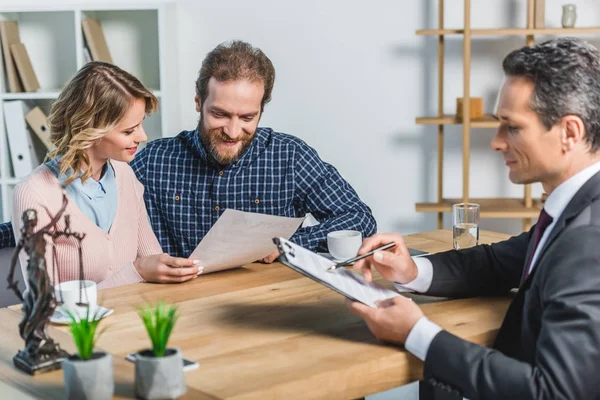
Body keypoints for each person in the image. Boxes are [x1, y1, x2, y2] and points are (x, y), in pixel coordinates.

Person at [348, 37, 600, 399]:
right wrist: (411, 271)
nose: (496, 142)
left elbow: (555, 394)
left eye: (511, 127)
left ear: (569, 133)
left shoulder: (588, 238)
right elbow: (499, 262)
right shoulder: (576, 208)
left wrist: (417, 333)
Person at [130, 40, 376, 262]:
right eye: (220, 114)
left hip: (267, 303)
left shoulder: (290, 157)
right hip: (180, 304)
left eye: (247, 117)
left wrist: (288, 246)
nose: (233, 132)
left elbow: (358, 218)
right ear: (198, 102)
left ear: (261, 110)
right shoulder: (152, 162)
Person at [11, 62, 202, 289]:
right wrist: (137, 272)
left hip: (133, 319)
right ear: (90, 130)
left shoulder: (125, 176)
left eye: (140, 124)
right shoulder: (35, 194)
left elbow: (152, 262)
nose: (142, 136)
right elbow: (47, 306)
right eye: (128, 130)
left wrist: (174, 269)